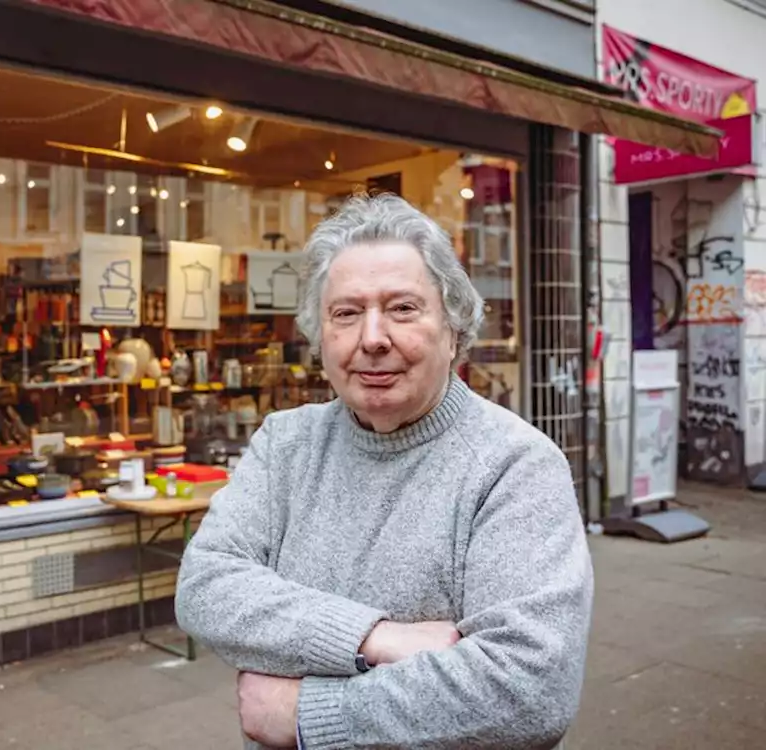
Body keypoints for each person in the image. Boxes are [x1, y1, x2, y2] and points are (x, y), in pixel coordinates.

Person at [174, 192, 593, 750]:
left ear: (454, 328)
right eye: (346, 313)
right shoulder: (286, 444)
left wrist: (306, 714)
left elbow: (525, 687)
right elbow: (205, 587)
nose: (372, 338)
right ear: (320, 337)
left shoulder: (515, 465)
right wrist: (373, 637)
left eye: (402, 308)